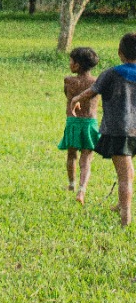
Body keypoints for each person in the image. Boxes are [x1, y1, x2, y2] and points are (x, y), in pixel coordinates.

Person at [69, 32, 136, 227]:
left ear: (119, 52)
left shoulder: (112, 73)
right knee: (128, 171)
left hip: (119, 131)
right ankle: (120, 205)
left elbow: (91, 92)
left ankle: (125, 218)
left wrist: (75, 100)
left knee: (124, 177)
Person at [60, 46, 101, 203]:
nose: (69, 63)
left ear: (77, 65)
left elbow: (67, 96)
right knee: (86, 159)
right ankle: (82, 190)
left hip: (73, 122)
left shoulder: (69, 81)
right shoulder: (96, 82)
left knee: (71, 155)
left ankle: (71, 184)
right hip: (90, 123)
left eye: (71, 60)